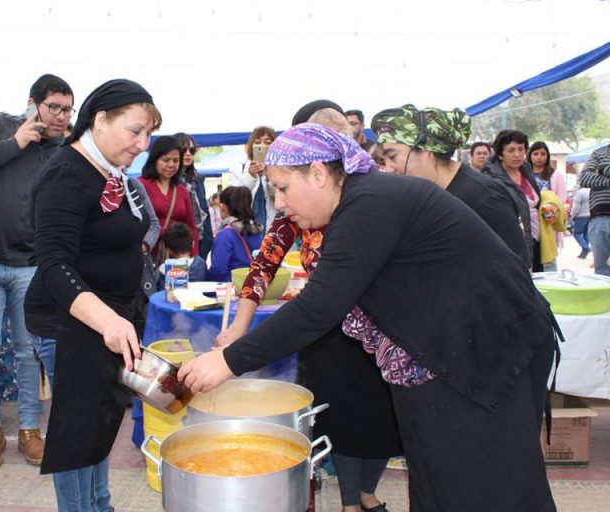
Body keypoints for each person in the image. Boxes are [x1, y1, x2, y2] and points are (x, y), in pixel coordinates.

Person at [181, 123, 559, 512]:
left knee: (489, 486)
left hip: (485, 354)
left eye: (282, 187)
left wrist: (229, 361)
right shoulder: (359, 203)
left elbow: (317, 308)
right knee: (436, 479)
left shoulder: (369, 203)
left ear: (318, 173)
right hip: (443, 355)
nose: (279, 202)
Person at [218, 110, 399, 512]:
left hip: (382, 334)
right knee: (347, 422)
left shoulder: (367, 201)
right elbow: (262, 266)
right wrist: (237, 330)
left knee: (385, 421)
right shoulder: (296, 208)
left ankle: (368, 493)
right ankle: (351, 502)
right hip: (330, 335)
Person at [25, 78, 158, 512]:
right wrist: (109, 321)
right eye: (135, 131)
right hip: (70, 322)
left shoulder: (109, 171)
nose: (143, 143)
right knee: (77, 433)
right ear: (100, 120)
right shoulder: (65, 174)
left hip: (107, 319)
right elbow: (55, 265)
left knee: (100, 425)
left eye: (148, 133)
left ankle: (100, 505)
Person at [0, 74, 74, 471]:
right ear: (33, 103)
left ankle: (28, 430)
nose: (60, 116)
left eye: (67, 109)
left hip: (31, 264)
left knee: (29, 352)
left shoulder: (62, 149)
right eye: (54, 107)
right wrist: (17, 142)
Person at [372, 104, 530, 268]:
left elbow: (518, 269)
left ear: (425, 148)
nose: (389, 169)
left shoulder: (485, 197)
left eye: (393, 156)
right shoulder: (423, 196)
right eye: (384, 161)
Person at [482, 130, 542, 270]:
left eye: (521, 149)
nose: (517, 154)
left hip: (535, 238)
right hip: (511, 244)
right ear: (500, 154)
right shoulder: (491, 180)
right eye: (511, 150)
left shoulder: (525, 170)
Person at [139, 136, 198, 259]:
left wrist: (193, 257)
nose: (171, 165)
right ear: (154, 159)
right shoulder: (140, 186)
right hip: (147, 256)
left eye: (176, 161)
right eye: (166, 160)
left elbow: (192, 228)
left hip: (177, 259)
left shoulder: (182, 191)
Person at [229, 126, 278, 236]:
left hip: (273, 231)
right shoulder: (238, 169)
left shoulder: (282, 168)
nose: (262, 145)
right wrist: (250, 176)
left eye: (268, 142)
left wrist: (268, 176)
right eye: (257, 142)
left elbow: (284, 197)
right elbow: (232, 200)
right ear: (251, 145)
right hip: (246, 231)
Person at [207, 186, 263, 282]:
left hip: (230, 286)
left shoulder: (226, 235)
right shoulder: (256, 230)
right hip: (251, 284)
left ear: (223, 207)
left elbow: (218, 270)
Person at [173, 133, 213, 260]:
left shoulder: (197, 178)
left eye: (192, 150)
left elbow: (204, 210)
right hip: (179, 241)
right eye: (183, 149)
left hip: (201, 239)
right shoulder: (169, 179)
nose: (188, 153)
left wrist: (208, 238)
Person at [578, 142, 610, 275]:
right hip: (599, 218)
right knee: (602, 272)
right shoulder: (599, 153)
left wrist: (602, 169)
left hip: (599, 219)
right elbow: (584, 179)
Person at [572, 187, 591, 258]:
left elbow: (576, 206)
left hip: (581, 216)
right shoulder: (592, 190)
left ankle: (585, 247)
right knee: (586, 234)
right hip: (590, 215)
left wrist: (573, 215)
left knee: (576, 233)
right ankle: (584, 253)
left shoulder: (580, 192)